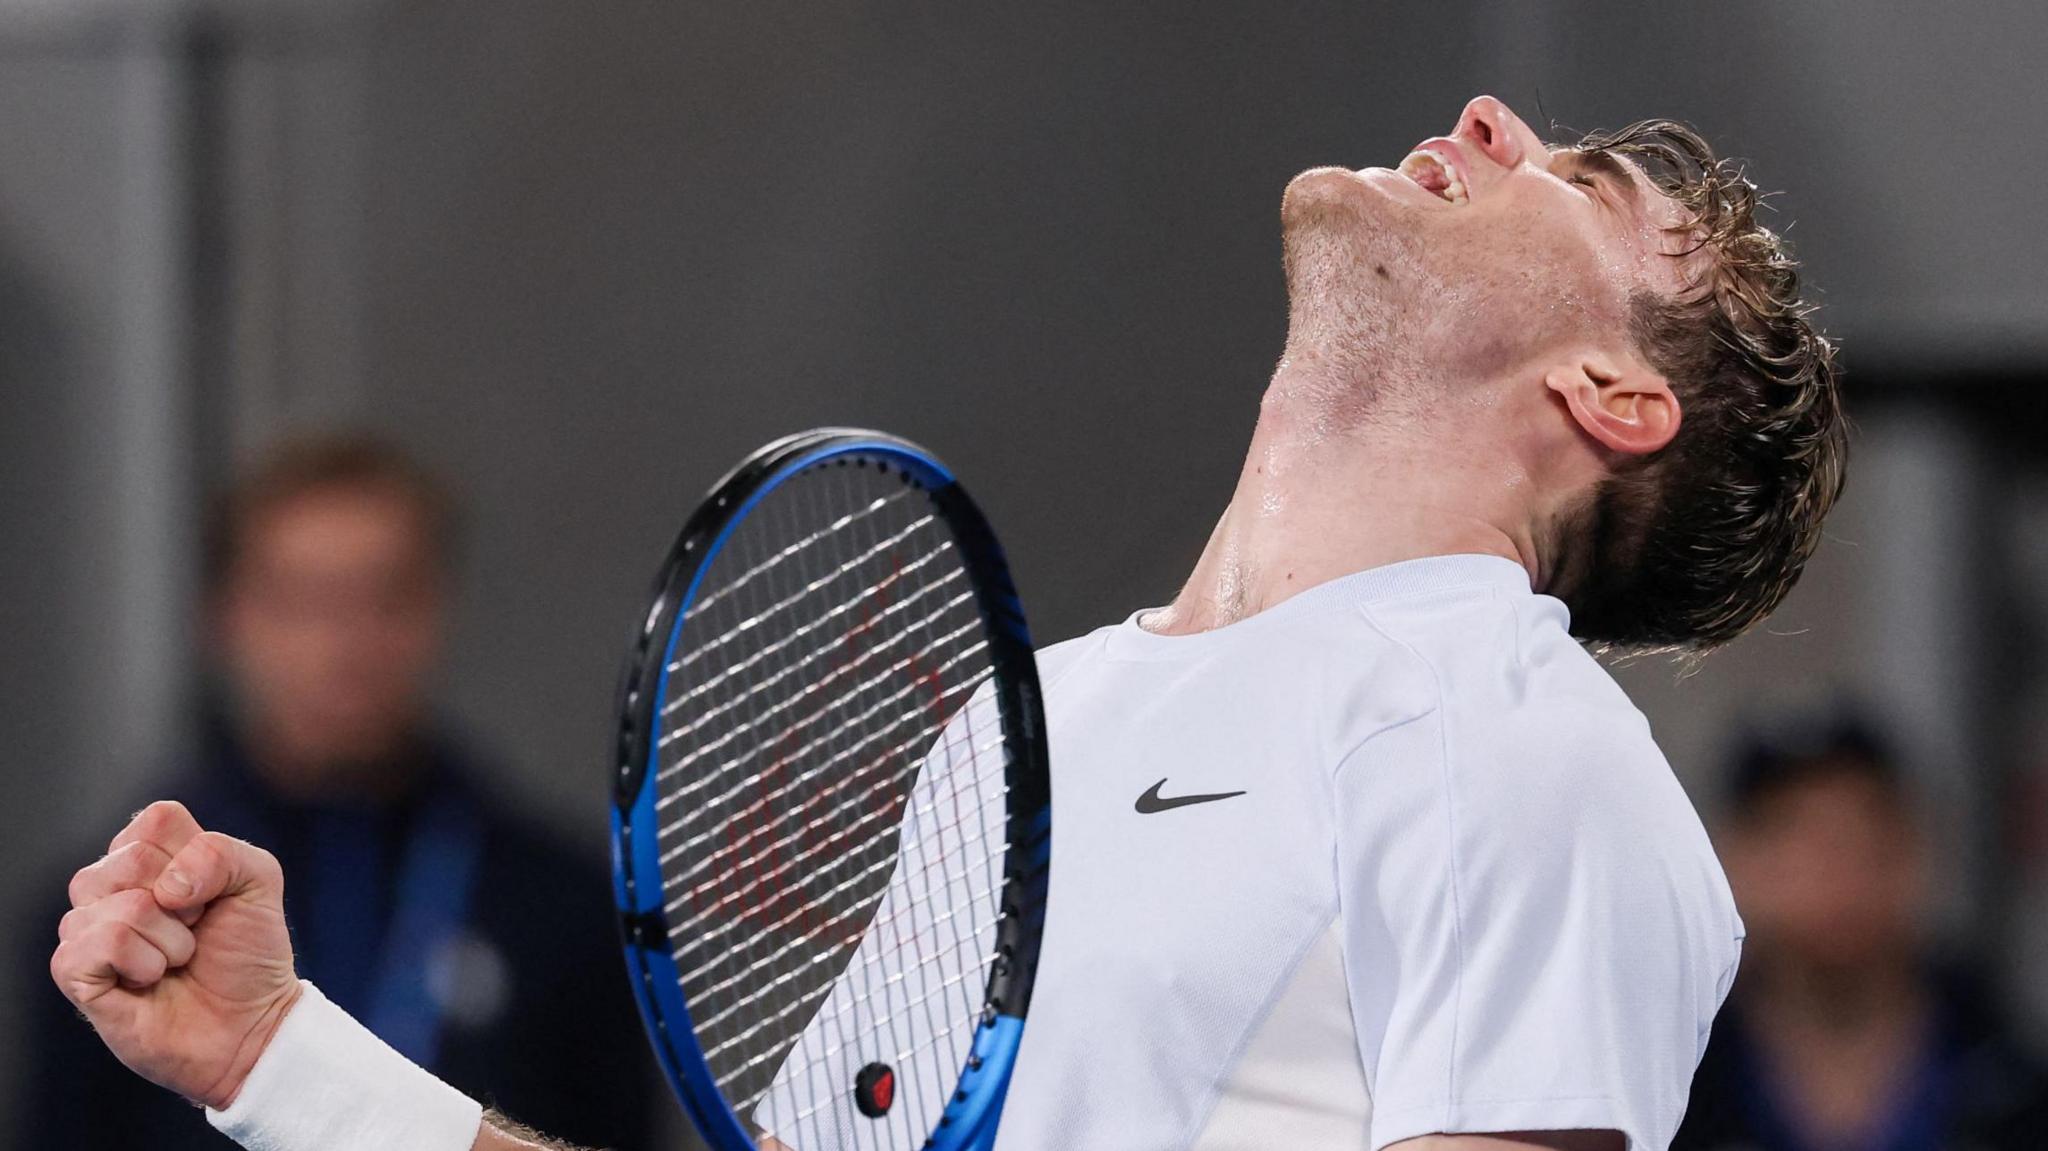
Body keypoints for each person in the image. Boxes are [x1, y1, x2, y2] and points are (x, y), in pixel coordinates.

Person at [49, 94, 1846, 1151]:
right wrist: (279, 1059)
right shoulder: (1027, 720)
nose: (1482, 122)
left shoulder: (1510, 745)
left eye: (1579, 186)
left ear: (1613, 394)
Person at [21, 436, 659, 1151]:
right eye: (303, 600)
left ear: (438, 607)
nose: (345, 642)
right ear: (225, 615)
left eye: (384, 598)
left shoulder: (558, 901)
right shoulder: (124, 917)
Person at [1674, 720, 2048, 1151]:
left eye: (1863, 833)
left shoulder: (2016, 1085)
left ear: (1918, 849)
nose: (1834, 868)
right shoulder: (1670, 1094)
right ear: (1729, 862)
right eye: (1795, 839)